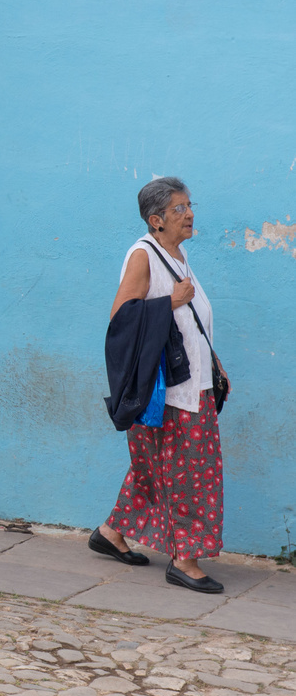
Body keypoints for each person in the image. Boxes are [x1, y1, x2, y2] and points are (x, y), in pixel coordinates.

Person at [91, 176, 227, 592]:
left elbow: (192, 322)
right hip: (167, 392)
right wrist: (171, 301)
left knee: (153, 468)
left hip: (192, 385)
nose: (189, 214)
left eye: (190, 206)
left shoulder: (177, 253)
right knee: (189, 472)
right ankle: (183, 560)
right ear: (156, 220)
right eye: (179, 209)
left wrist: (215, 367)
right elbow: (121, 318)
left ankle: (112, 532)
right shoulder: (144, 256)